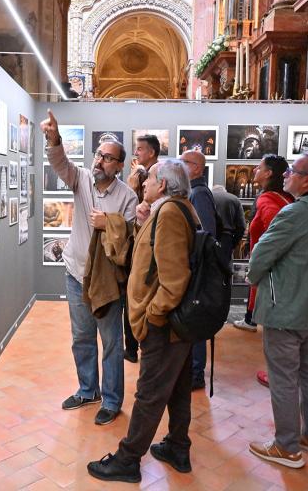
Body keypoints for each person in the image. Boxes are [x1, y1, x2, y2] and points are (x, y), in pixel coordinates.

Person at [87, 160, 198, 483]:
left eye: (148, 178)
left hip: (164, 324)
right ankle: (178, 446)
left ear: (162, 184)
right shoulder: (175, 209)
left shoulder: (171, 214)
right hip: (177, 325)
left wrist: (153, 315)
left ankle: (127, 459)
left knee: (149, 393)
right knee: (176, 387)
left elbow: (175, 279)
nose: (144, 183)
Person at [41, 109, 138, 425]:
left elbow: (131, 238)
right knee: (81, 337)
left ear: (119, 166)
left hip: (107, 279)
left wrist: (109, 222)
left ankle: (111, 400)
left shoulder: (127, 196)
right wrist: (54, 139)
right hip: (75, 273)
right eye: (99, 154)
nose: (100, 161)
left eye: (109, 158)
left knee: (111, 342)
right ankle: (87, 390)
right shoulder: (81, 179)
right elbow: (61, 164)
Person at [247, 154, 308, 469]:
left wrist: (252, 277)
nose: (286, 175)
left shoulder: (293, 213)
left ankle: (286, 447)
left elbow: (262, 254)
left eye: (293, 171)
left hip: (286, 308)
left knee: (284, 377)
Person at [233, 155, 293, 333]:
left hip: (269, 261)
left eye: (259, 168)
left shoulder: (268, 199)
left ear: (268, 173)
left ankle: (254, 320)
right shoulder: (285, 197)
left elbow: (276, 233)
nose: (254, 170)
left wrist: (263, 256)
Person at [123, 133, 162, 363]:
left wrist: (134, 181)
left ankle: (133, 347)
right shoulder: (143, 174)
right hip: (140, 240)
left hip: (145, 247)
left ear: (152, 152)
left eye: (140, 149)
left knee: (137, 294)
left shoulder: (147, 175)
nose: (136, 153)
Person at [180, 150, 217, 390]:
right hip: (195, 268)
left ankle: (195, 374)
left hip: (198, 270)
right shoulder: (194, 192)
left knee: (195, 321)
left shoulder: (199, 194)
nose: (179, 166)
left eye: (183, 162)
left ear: (196, 168)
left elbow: (205, 235)